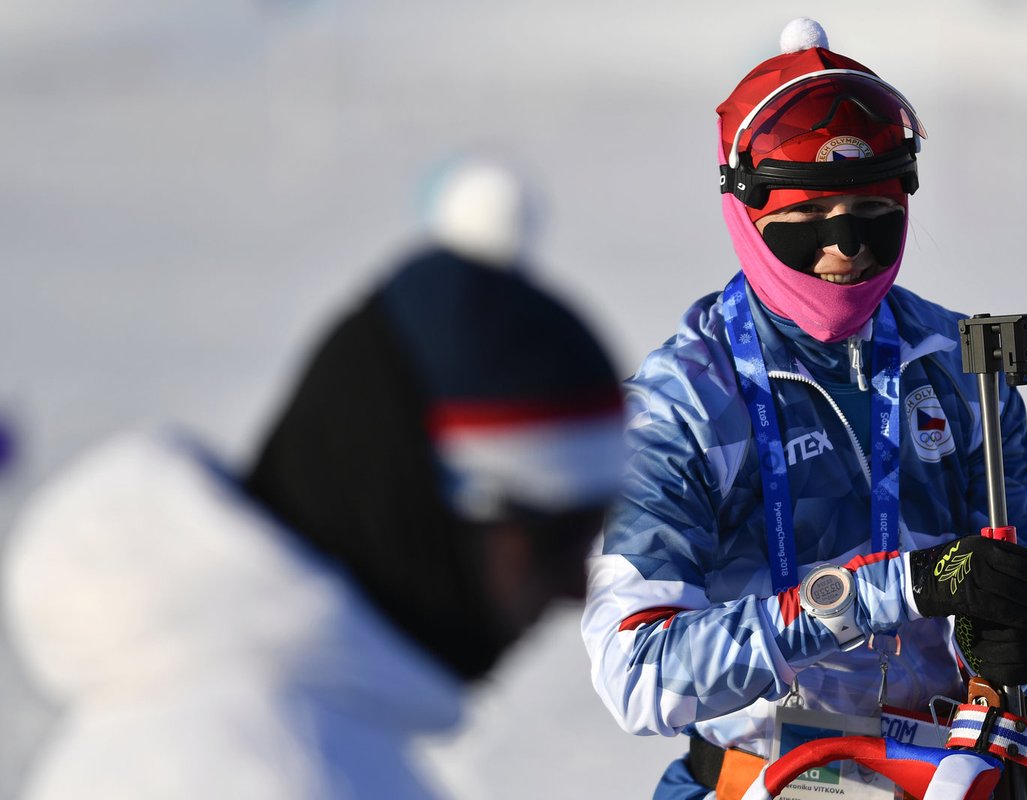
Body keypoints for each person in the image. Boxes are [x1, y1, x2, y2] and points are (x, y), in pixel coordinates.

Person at [2, 159, 627, 800]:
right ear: (411, 499)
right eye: (553, 535)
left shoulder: (252, 729)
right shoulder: (256, 770)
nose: (575, 587)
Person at [581, 19, 1027, 800]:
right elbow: (637, 675)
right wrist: (901, 587)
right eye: (810, 228)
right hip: (753, 782)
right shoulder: (683, 403)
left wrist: (1024, 648)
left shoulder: (956, 364)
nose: (844, 251)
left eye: (872, 223)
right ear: (746, 215)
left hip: (942, 779)